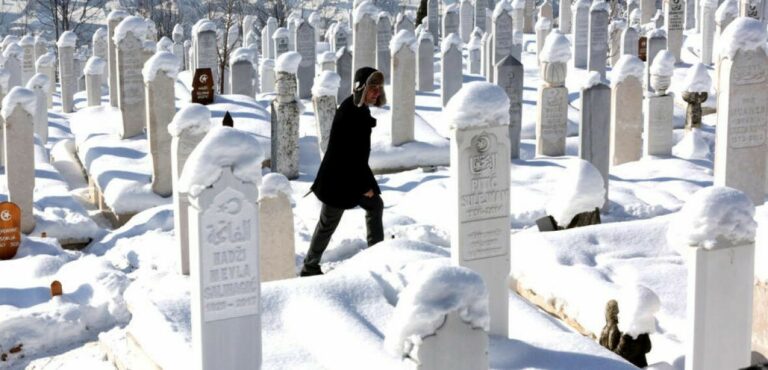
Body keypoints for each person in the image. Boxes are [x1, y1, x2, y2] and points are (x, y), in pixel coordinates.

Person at [300, 67, 387, 277]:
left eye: (378, 88)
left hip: (348, 175)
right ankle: (309, 266)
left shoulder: (359, 109)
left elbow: (358, 156)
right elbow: (350, 157)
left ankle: (378, 254)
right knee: (328, 223)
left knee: (375, 204)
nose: (376, 92)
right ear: (361, 88)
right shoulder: (350, 113)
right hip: (338, 180)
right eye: (372, 88)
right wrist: (365, 186)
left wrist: (367, 185)